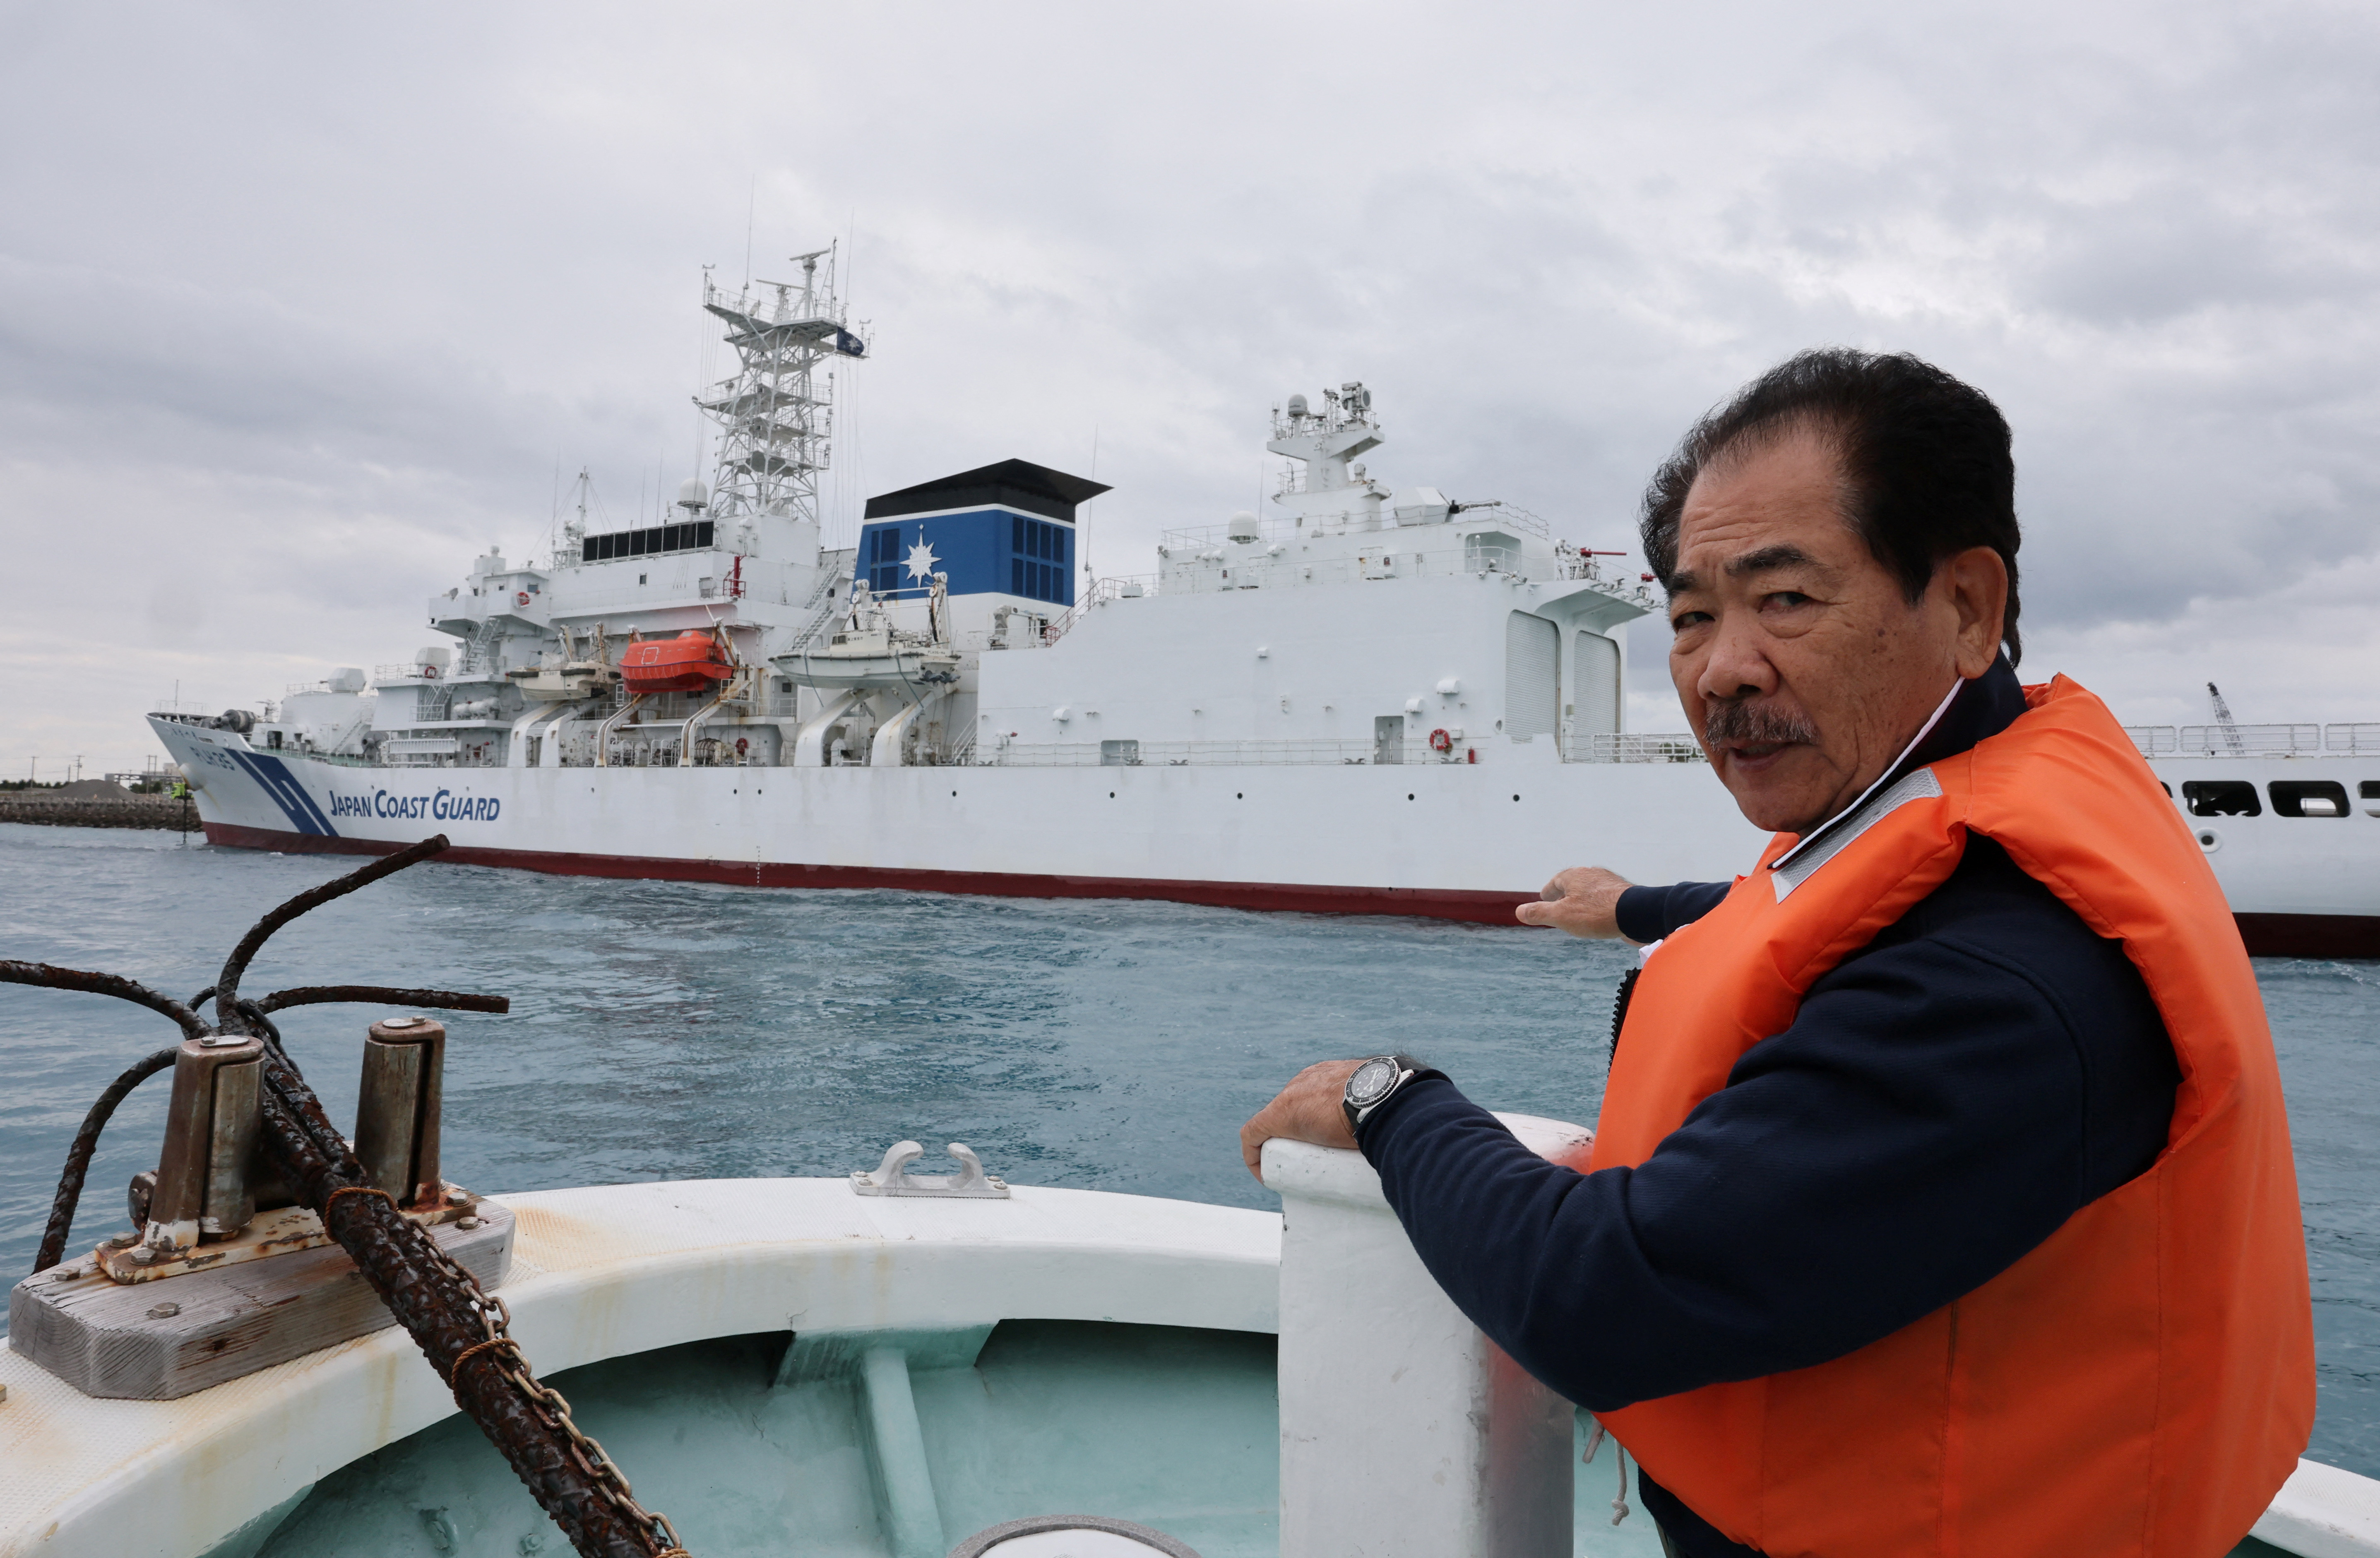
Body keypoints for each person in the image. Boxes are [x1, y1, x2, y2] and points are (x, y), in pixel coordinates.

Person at [1239, 349, 2313, 1558]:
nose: (1721, 670)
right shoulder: (1955, 805)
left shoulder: (1997, 987)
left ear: (1967, 606)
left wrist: (1394, 1100)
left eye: (1785, 599)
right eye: (1692, 616)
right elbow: (1798, 911)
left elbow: (1603, 1299)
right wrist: (1638, 905)